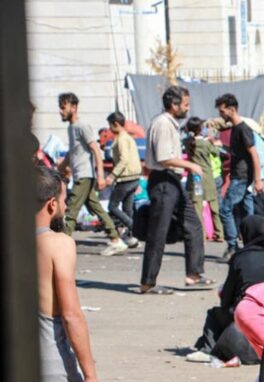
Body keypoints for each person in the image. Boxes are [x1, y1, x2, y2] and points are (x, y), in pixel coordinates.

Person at [36, 167, 108, 382]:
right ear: (52, 205)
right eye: (64, 199)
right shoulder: (57, 244)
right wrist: (90, 377)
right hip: (49, 355)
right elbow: (71, 315)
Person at [140, 86, 210, 294]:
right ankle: (148, 282)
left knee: (193, 225)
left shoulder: (171, 124)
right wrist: (191, 165)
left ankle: (194, 273)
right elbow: (163, 158)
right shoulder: (162, 124)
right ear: (174, 105)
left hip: (172, 180)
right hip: (163, 181)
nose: (187, 109)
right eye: (185, 105)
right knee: (158, 233)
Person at [193, 215, 264, 361]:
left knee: (215, 314)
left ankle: (207, 349)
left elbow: (228, 294)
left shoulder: (240, 258)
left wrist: (225, 301)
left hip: (246, 310)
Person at [56, 93, 125, 255]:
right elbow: (72, 153)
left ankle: (61, 244)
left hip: (85, 175)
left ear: (73, 108)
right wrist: (61, 168)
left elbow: (96, 150)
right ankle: (116, 239)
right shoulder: (71, 128)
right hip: (80, 175)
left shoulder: (82, 126)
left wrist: (100, 175)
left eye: (63, 107)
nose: (60, 111)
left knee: (71, 209)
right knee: (97, 209)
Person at [216, 93, 263, 260]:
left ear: (232, 109)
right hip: (241, 175)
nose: (221, 115)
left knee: (225, 209)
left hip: (242, 177)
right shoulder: (235, 129)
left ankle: (232, 245)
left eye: (222, 111)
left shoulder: (243, 129)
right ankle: (251, 245)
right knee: (246, 212)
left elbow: (254, 154)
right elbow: (240, 153)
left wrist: (258, 179)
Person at [184, 117, 226, 242]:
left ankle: (201, 235)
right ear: (199, 129)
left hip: (196, 177)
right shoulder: (206, 143)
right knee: (214, 205)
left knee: (198, 207)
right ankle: (219, 233)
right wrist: (213, 142)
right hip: (208, 176)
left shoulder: (188, 142)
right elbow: (216, 153)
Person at [106, 111, 141, 248]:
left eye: (110, 125)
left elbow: (124, 159)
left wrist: (112, 175)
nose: (109, 128)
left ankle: (134, 228)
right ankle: (132, 237)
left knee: (112, 206)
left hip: (125, 178)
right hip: (134, 177)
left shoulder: (121, 139)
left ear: (115, 124)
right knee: (127, 208)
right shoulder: (128, 137)